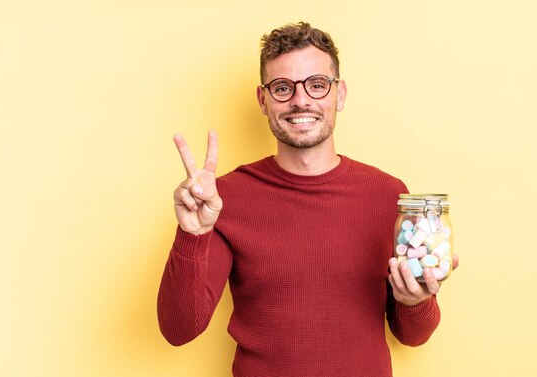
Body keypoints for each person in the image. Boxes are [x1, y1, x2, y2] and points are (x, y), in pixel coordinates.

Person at [157, 21, 458, 377]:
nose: (301, 100)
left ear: (339, 94)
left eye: (317, 85)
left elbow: (413, 336)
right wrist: (193, 234)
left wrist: (416, 300)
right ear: (263, 100)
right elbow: (179, 330)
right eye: (282, 88)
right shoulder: (224, 199)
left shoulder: (388, 194)